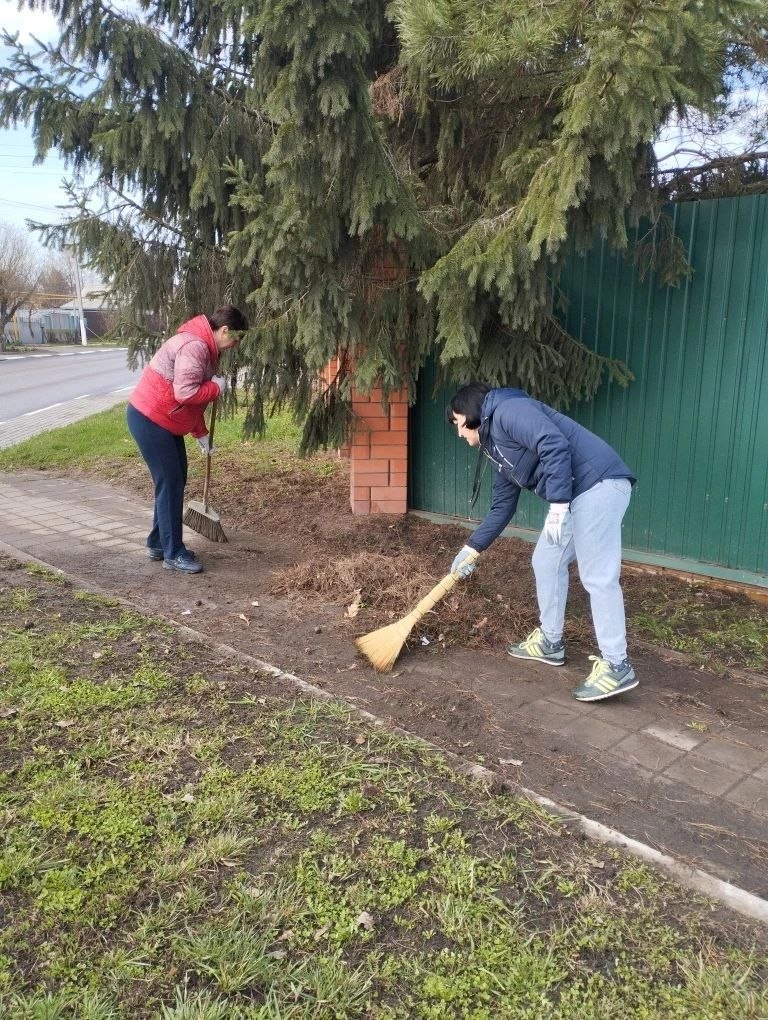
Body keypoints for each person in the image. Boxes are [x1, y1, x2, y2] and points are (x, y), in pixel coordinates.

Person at [446, 382, 637, 702]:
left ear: (468, 412)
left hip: (598, 485)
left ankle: (618, 666)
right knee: (546, 560)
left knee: (597, 576)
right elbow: (501, 507)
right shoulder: (495, 446)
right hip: (573, 497)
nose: (459, 432)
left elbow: (553, 443)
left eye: (457, 423)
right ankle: (551, 642)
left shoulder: (508, 409)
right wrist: (471, 549)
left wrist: (559, 506)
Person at [126, 305, 248, 574]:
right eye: (236, 338)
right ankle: (173, 553)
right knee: (170, 482)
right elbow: (185, 393)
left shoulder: (205, 347)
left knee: (174, 479)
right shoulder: (195, 346)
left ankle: (158, 543)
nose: (236, 345)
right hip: (150, 418)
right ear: (224, 330)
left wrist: (201, 433)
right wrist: (215, 387)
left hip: (164, 420)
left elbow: (190, 406)